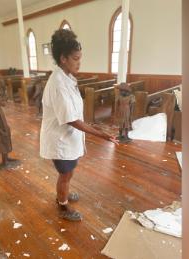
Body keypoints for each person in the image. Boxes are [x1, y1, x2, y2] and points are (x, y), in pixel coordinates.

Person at [39, 29, 119, 221]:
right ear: (63, 58)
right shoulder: (58, 82)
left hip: (68, 137)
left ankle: (63, 195)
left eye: (80, 58)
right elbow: (72, 119)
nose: (79, 62)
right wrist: (102, 134)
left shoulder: (66, 77)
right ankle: (63, 206)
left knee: (69, 171)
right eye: (76, 58)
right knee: (65, 174)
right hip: (60, 139)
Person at [0, 92, 20, 170]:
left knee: (6, 145)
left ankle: (6, 158)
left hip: (4, 130)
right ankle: (4, 163)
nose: (4, 103)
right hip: (0, 133)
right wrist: (2, 133)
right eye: (3, 101)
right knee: (2, 146)